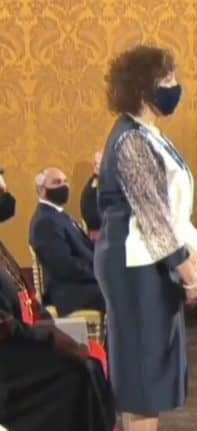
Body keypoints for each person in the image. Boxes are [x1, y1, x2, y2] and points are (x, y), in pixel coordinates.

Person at [96, 44, 197, 431]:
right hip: (137, 268)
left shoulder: (145, 133)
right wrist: (188, 272)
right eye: (167, 80)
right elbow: (155, 217)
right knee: (143, 379)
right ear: (143, 88)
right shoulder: (131, 140)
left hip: (146, 264)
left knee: (146, 375)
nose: (175, 87)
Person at [1, 197, 115, 430]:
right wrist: (51, 338)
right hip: (8, 363)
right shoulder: (44, 222)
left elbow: (26, 294)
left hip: (21, 343)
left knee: (89, 363)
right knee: (78, 371)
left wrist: (49, 325)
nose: (7, 198)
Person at [29, 167, 106, 315]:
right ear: (41, 190)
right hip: (69, 292)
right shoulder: (45, 222)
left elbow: (86, 248)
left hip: (81, 283)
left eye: (65, 181)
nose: (64, 186)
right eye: (57, 182)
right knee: (119, 291)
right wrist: (98, 273)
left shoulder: (59, 215)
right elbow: (64, 266)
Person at [81, 150, 103, 240]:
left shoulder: (111, 183)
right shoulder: (93, 182)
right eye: (95, 163)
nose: (97, 166)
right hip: (95, 235)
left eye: (100, 163)